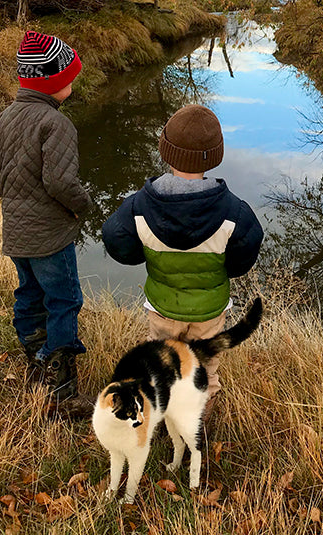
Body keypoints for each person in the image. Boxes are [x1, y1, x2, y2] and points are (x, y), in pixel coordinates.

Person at [101, 103, 263, 418]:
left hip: (163, 307)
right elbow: (246, 252)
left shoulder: (138, 207)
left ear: (166, 151)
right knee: (204, 371)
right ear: (216, 155)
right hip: (210, 311)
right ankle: (196, 428)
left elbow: (114, 238)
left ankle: (160, 418)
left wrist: (144, 254)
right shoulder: (235, 212)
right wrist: (222, 270)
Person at [0, 30, 92, 411]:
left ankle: (35, 359)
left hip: (16, 232)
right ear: (54, 81)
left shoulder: (4, 118)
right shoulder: (55, 124)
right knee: (64, 300)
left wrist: (17, 203)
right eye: (70, 78)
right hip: (49, 236)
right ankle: (62, 389)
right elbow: (60, 182)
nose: (74, 84)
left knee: (29, 294)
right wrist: (84, 204)